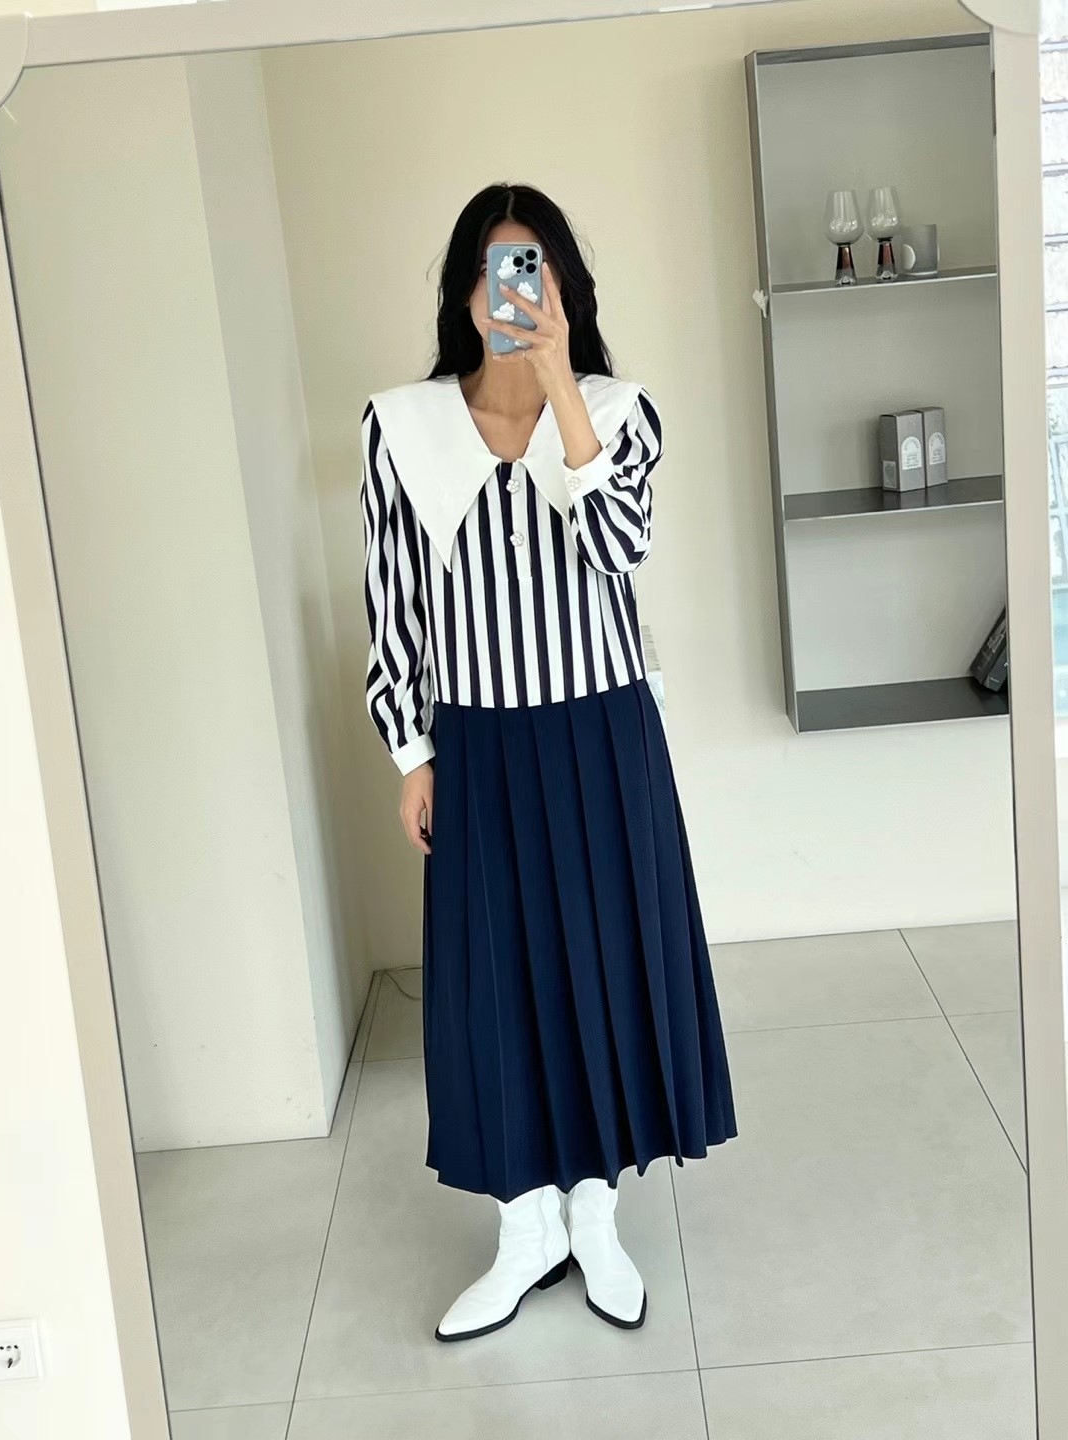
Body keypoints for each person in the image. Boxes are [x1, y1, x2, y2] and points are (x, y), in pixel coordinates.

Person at [359, 182, 737, 1343]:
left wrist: (562, 381)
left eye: (535, 269)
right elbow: (392, 603)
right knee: (493, 984)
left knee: (606, 972)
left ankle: (595, 1214)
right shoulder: (403, 429)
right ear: (464, 294)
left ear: (565, 287)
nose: (513, 293)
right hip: (477, 743)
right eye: (494, 271)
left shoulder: (621, 409)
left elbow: (620, 546)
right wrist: (411, 752)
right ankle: (523, 1231)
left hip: (602, 734)